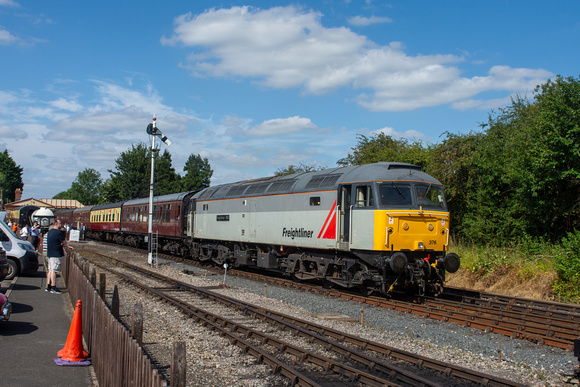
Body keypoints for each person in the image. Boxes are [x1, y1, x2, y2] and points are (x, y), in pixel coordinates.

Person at [45, 219, 67, 294]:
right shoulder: (58, 233)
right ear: (57, 224)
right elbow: (64, 242)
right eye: (60, 223)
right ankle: (53, 286)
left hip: (50, 253)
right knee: (54, 270)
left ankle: (48, 285)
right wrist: (63, 243)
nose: (61, 224)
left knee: (50, 270)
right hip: (56, 253)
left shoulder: (50, 232)